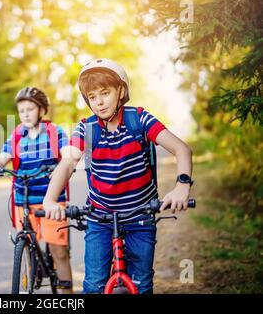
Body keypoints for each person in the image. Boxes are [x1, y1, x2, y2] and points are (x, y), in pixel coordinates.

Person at [43, 58, 193, 294]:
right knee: (93, 285)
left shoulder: (139, 119)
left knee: (141, 283)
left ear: (120, 91)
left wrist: (182, 186)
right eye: (92, 97)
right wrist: (50, 200)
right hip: (100, 215)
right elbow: (67, 163)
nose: (99, 102)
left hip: (140, 215)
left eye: (105, 93)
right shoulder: (87, 128)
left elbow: (182, 149)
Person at [0, 86, 73, 293]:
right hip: (23, 199)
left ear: (41, 110)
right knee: (28, 246)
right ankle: (30, 283)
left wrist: (64, 164)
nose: (25, 114)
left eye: (30, 109)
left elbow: (67, 156)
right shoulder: (17, 135)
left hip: (52, 201)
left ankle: (67, 294)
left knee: (59, 252)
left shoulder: (54, 132)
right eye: (21, 110)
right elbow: (2, 159)